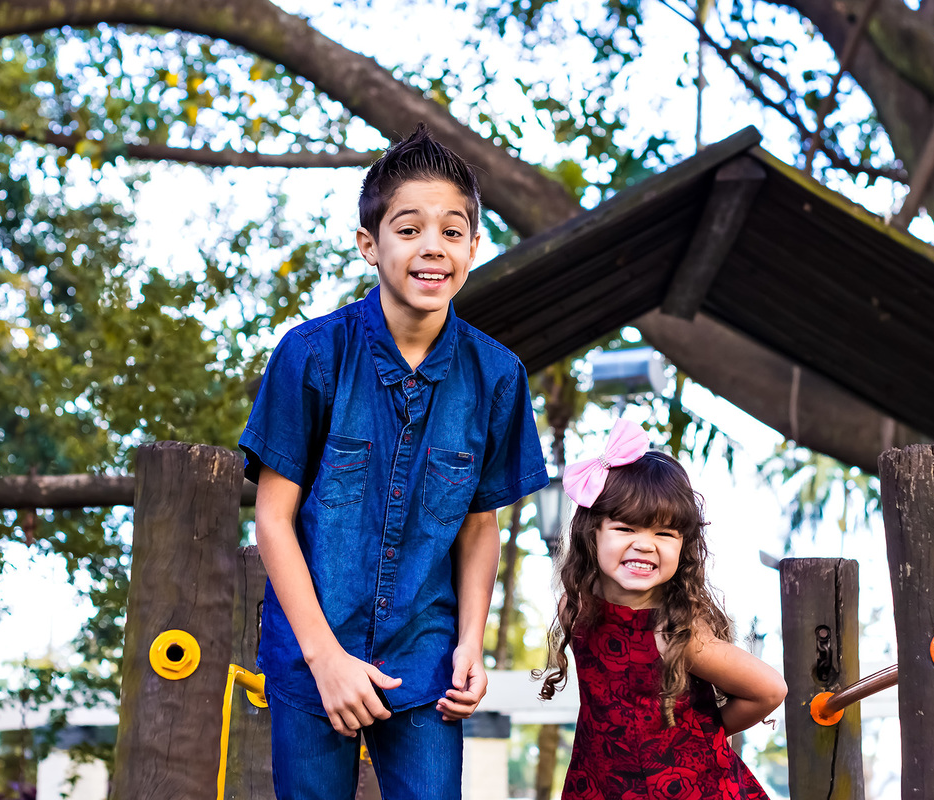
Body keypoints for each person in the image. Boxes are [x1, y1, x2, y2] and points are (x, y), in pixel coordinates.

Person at [240, 124, 549, 799]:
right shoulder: (312, 356)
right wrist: (326, 660)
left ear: (473, 245)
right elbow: (272, 519)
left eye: (452, 230)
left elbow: (478, 526)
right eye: (408, 230)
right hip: (312, 656)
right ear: (369, 245)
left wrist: (470, 643)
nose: (431, 247)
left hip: (425, 661)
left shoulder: (497, 377)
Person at [538, 418, 787, 800]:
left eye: (664, 533)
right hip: (602, 786)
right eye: (625, 529)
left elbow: (769, 690)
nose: (644, 544)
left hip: (691, 788)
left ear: (683, 545)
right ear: (593, 532)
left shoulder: (678, 632)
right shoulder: (577, 605)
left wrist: (704, 735)